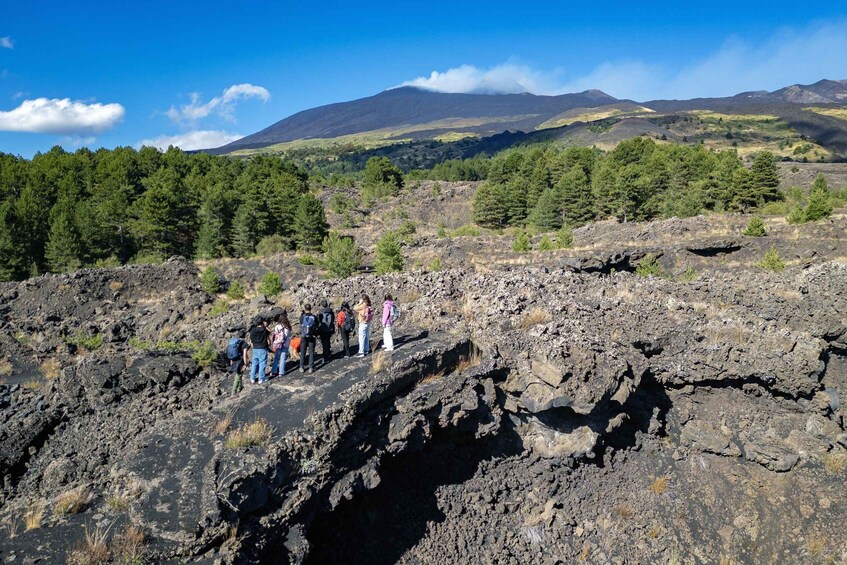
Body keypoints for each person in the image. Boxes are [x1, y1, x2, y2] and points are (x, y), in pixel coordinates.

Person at [226, 329, 250, 395]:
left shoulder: (235, 342)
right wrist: (245, 364)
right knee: (238, 375)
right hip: (240, 360)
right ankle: (233, 392)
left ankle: (240, 387)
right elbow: (244, 355)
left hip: (234, 359)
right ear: (245, 335)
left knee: (239, 374)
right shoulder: (244, 343)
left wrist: (231, 360)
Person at [249, 316, 270, 384]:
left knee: (254, 363)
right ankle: (261, 379)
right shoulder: (264, 330)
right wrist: (265, 326)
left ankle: (252, 378)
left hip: (255, 348)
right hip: (262, 348)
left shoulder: (252, 330)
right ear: (262, 322)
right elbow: (269, 332)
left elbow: (251, 340)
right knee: (262, 363)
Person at [270, 312, 292, 378]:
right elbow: (289, 335)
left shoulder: (277, 326)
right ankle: (281, 372)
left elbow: (275, 334)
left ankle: (273, 371)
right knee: (283, 358)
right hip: (285, 344)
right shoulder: (287, 327)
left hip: (278, 343)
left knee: (276, 358)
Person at [299, 304, 318, 373]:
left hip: (303, 336)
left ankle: (301, 366)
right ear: (311, 308)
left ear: (305, 308)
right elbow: (316, 325)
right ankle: (311, 367)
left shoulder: (302, 317)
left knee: (303, 352)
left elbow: (301, 324)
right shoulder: (314, 317)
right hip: (311, 336)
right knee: (311, 352)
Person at [317, 300, 335, 364]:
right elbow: (333, 319)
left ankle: (325, 357)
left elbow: (319, 321)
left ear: (322, 305)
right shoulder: (331, 311)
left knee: (324, 343)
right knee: (328, 341)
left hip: (323, 330)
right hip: (330, 329)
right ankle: (329, 353)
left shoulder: (320, 312)